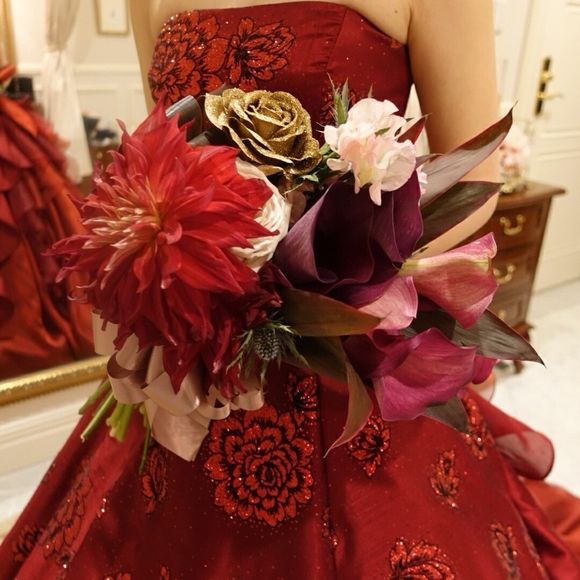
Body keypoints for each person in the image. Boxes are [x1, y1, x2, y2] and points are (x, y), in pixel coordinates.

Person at [1, 1, 579, 578]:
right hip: (199, 353)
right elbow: (163, 147)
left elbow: (472, 177)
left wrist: (319, 283)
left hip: (343, 343)